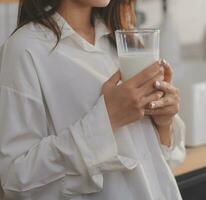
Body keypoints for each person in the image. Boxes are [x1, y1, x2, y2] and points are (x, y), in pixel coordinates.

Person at [0, 0, 185, 199]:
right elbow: (14, 181)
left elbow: (158, 163)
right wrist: (106, 120)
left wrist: (163, 123)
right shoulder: (24, 48)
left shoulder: (120, 37)